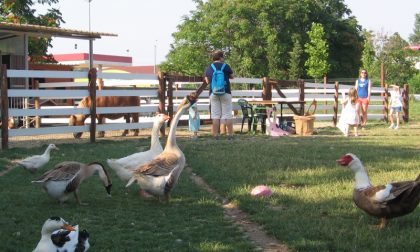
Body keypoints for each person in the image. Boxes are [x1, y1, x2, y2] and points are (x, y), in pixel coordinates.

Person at [204, 50, 234, 140]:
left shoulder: (210, 67)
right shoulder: (226, 66)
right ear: (221, 57)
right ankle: (230, 135)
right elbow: (232, 76)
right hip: (226, 92)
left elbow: (207, 81)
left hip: (213, 93)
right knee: (227, 114)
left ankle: (215, 135)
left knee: (215, 115)